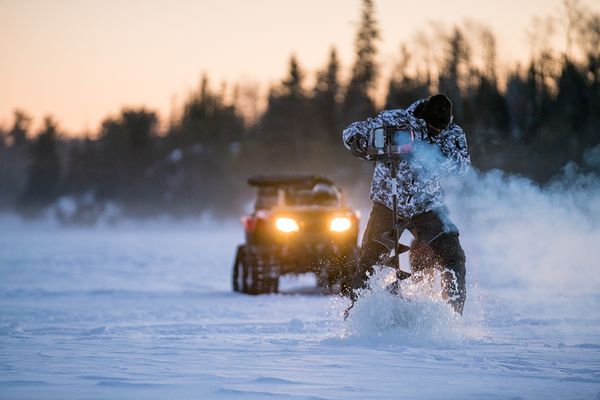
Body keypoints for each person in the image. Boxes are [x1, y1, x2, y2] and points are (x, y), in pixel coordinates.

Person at [342, 94, 470, 314]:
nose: (436, 132)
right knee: (369, 262)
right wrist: (358, 142)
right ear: (423, 118)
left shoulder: (452, 133)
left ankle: (452, 316)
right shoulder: (394, 120)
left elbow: (463, 165)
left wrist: (433, 156)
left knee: (454, 256)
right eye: (432, 128)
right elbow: (352, 130)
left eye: (440, 129)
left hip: (428, 206)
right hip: (388, 203)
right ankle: (357, 314)